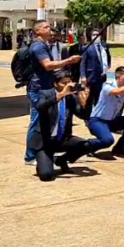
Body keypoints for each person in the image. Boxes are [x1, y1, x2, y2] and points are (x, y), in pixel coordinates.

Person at [25, 20, 82, 165]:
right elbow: (48, 65)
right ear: (37, 31)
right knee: (36, 120)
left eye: (49, 26)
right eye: (45, 27)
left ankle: (44, 149)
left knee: (46, 119)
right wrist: (68, 61)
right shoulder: (38, 46)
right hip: (38, 88)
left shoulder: (44, 45)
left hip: (45, 86)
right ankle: (31, 155)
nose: (49, 29)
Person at [31, 70, 91, 182]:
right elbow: (40, 107)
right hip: (45, 142)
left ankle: (61, 160)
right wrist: (61, 95)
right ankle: (43, 162)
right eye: (64, 83)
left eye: (69, 83)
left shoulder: (70, 98)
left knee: (86, 145)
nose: (67, 86)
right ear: (55, 84)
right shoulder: (45, 93)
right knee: (47, 176)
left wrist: (84, 104)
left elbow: (83, 116)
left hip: (63, 139)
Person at [86, 66, 124, 156]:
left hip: (113, 121)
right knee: (108, 140)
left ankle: (120, 147)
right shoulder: (107, 85)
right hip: (98, 120)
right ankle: (87, 145)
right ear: (118, 76)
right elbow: (116, 92)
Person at [80, 29, 112, 107]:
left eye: (97, 35)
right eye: (93, 35)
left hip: (102, 76)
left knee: (100, 97)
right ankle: (87, 116)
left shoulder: (104, 46)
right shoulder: (87, 47)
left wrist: (107, 65)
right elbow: (83, 63)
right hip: (91, 76)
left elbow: (108, 56)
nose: (95, 36)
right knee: (89, 98)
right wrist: (83, 76)